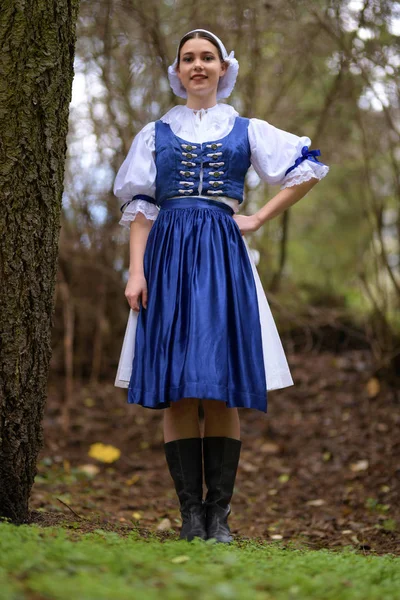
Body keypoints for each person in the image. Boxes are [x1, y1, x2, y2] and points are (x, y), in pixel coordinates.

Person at [113, 29, 329, 544]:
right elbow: (140, 208)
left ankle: (219, 516)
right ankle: (190, 515)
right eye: (189, 58)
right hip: (167, 257)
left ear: (224, 67)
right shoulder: (155, 133)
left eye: (207, 57)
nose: (198, 66)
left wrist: (256, 218)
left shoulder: (246, 129)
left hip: (223, 257)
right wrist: (137, 271)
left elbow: (308, 167)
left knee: (222, 385)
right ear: (178, 69)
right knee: (181, 391)